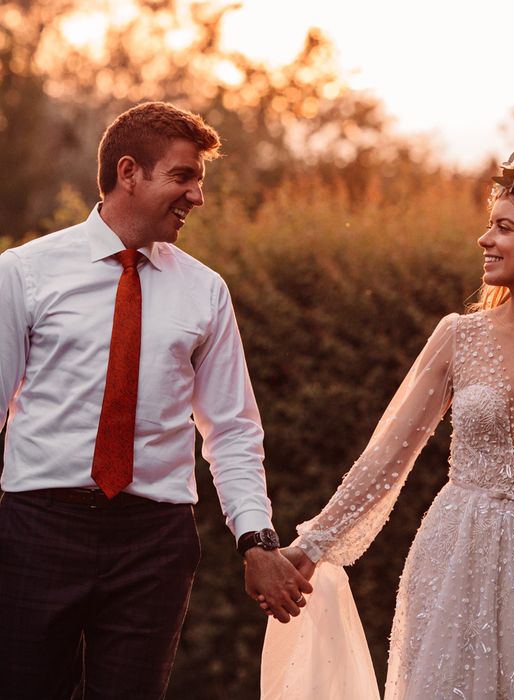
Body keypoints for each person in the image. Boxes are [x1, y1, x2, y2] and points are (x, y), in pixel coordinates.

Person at [265, 152, 514, 698]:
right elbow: (386, 456)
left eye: (503, 227)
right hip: (456, 557)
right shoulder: (459, 336)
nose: (483, 239)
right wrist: (314, 544)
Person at [0, 101, 311, 700]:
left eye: (198, 181)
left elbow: (232, 429)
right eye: (183, 177)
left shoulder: (205, 292)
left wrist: (257, 539)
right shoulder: (25, 273)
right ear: (128, 173)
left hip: (154, 542)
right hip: (37, 530)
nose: (197, 196)